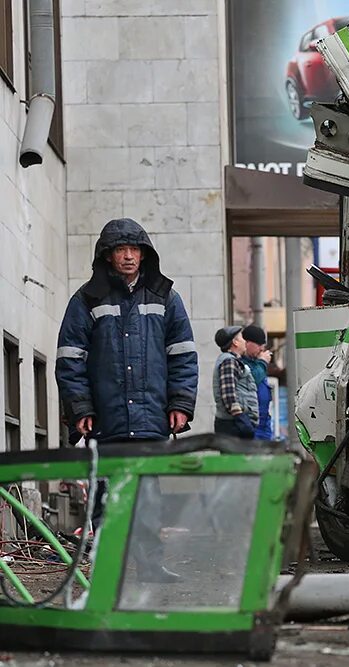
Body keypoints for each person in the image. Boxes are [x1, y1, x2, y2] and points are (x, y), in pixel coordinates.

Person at [56, 217, 198, 582]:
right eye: (121, 249)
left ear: (145, 254)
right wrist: (80, 410)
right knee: (106, 498)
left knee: (149, 498)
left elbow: (182, 355)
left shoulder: (166, 297)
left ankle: (151, 568)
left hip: (151, 419)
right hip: (108, 419)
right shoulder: (87, 299)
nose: (129, 256)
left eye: (135, 249)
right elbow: (70, 360)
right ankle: (108, 570)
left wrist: (180, 405)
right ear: (107, 256)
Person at [213, 326, 259, 439]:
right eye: (242, 338)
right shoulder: (229, 361)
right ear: (235, 342)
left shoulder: (232, 360)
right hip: (233, 425)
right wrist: (242, 420)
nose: (245, 341)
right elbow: (229, 395)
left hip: (234, 423)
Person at [242, 324, 274, 440]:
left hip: (264, 423)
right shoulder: (240, 363)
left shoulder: (257, 362)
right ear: (247, 343)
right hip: (251, 423)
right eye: (259, 345)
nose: (261, 349)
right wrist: (262, 362)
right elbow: (252, 380)